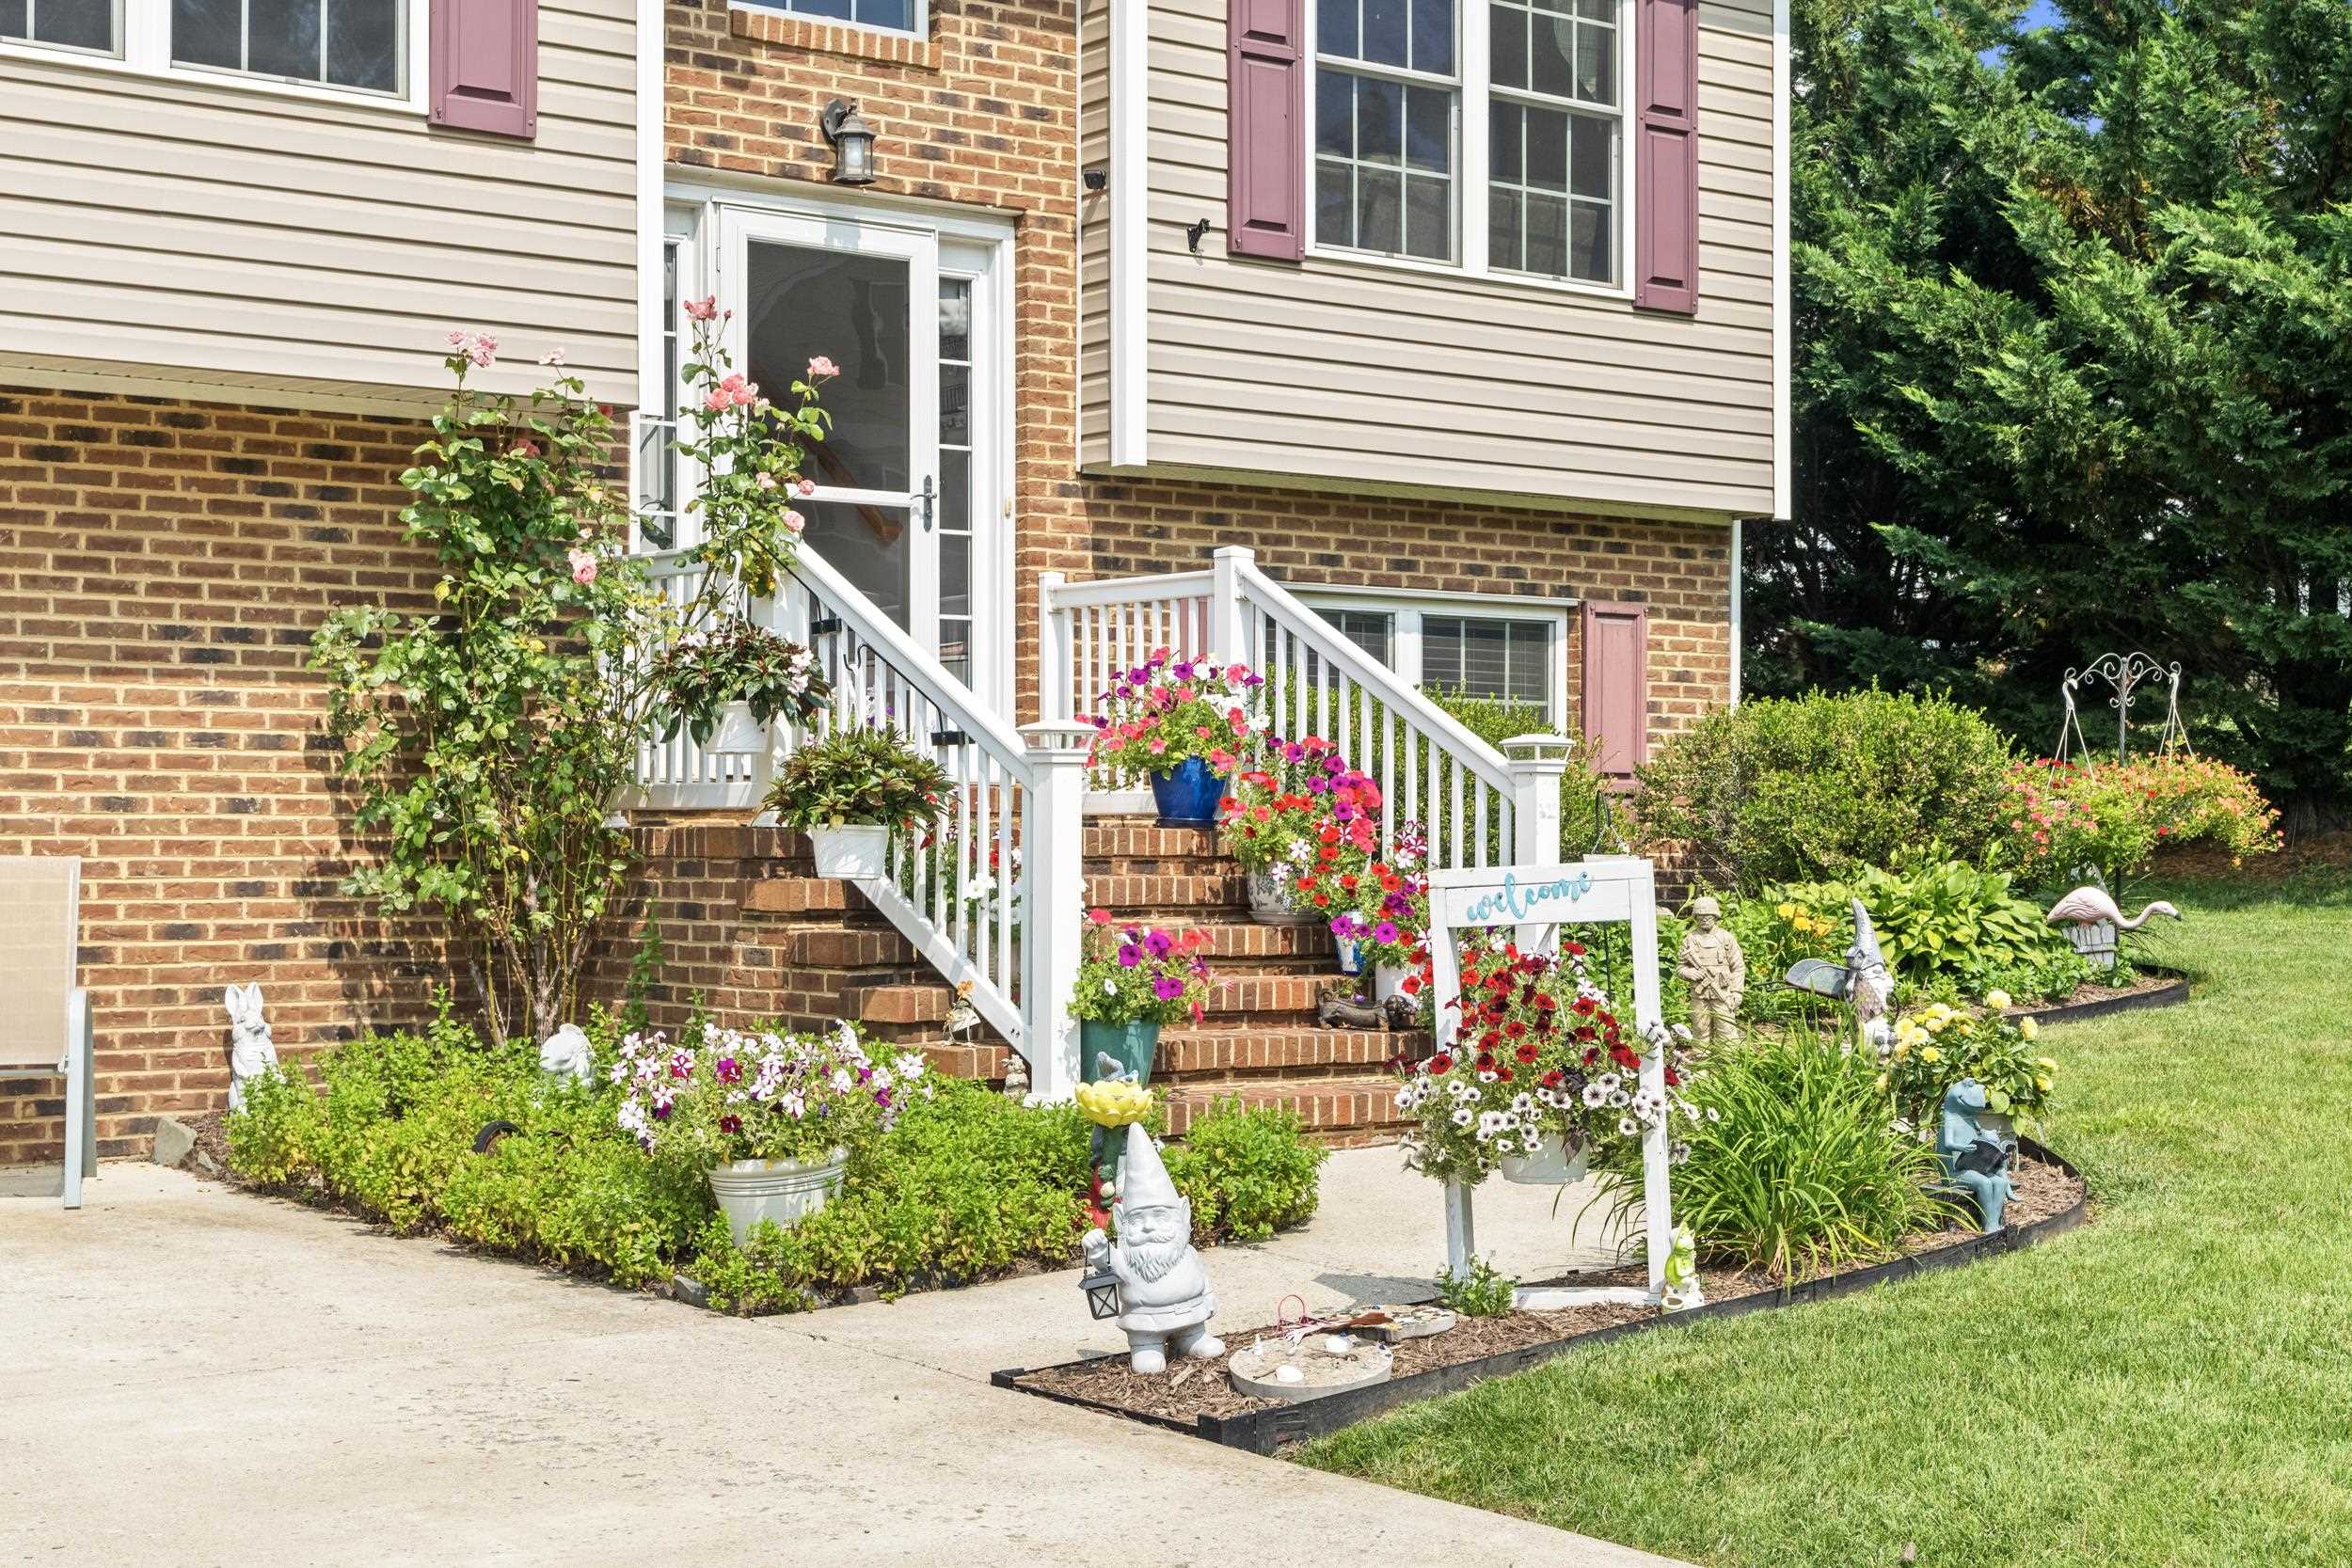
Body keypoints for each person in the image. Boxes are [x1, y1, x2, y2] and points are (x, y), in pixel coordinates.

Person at [1677, 895, 1745, 1045]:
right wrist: (1690, 973)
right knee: (1700, 1030)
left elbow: (1738, 967)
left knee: (1726, 1031)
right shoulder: (1690, 940)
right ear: (1696, 917)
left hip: (1722, 994)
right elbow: (1680, 967)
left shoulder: (1726, 938)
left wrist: (1736, 992)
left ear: (1715, 916)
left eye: (1708, 916)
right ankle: (1701, 1066)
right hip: (1700, 996)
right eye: (1701, 916)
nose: (1705, 920)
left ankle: (1729, 1065)